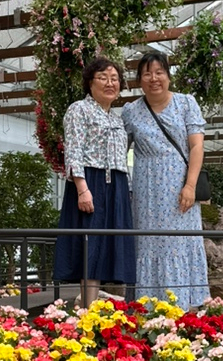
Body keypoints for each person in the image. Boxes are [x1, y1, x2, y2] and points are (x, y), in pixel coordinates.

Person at [123, 52, 210, 311]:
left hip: (180, 190)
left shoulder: (185, 103)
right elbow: (118, 150)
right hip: (146, 192)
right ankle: (147, 308)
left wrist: (190, 185)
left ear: (168, 76)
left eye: (159, 72)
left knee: (180, 243)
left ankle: (184, 308)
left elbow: (197, 146)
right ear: (139, 79)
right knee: (148, 244)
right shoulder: (131, 111)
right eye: (147, 73)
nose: (154, 78)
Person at [53, 57, 136, 308]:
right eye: (103, 78)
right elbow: (74, 151)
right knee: (90, 244)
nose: (110, 83)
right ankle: (87, 310)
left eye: (115, 79)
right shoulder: (79, 109)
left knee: (107, 245)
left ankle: (95, 307)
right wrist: (82, 189)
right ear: (90, 83)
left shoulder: (117, 118)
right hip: (91, 183)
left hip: (117, 185)